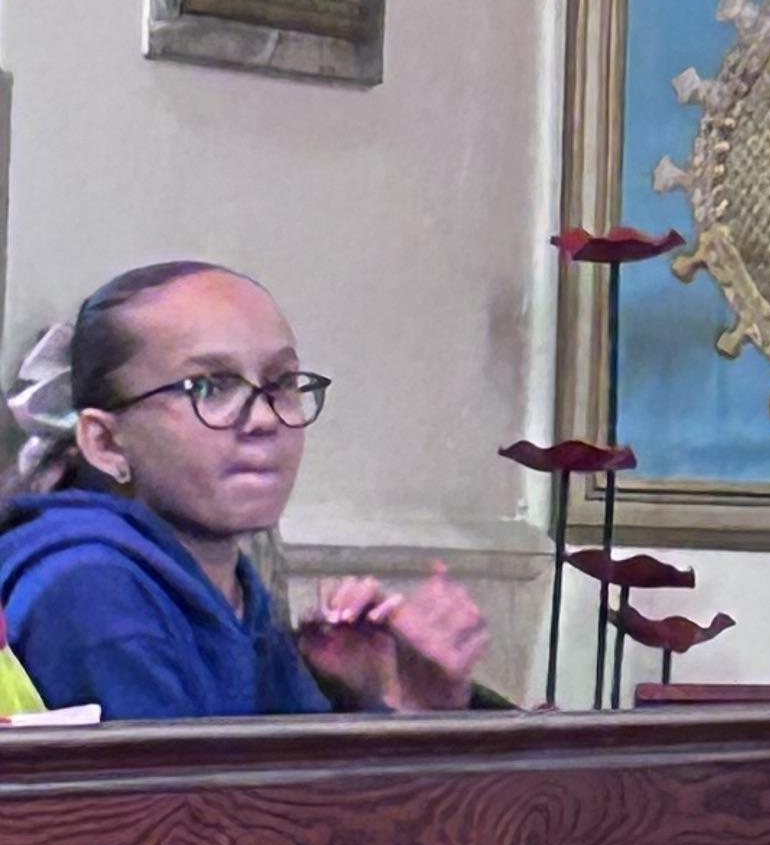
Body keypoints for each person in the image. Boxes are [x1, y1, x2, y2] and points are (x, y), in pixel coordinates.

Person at [0, 259, 490, 717]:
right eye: (208, 387)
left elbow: (283, 770)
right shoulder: (92, 592)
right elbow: (200, 785)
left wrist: (378, 696)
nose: (263, 419)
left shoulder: (231, 588)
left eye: (281, 382)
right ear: (105, 442)